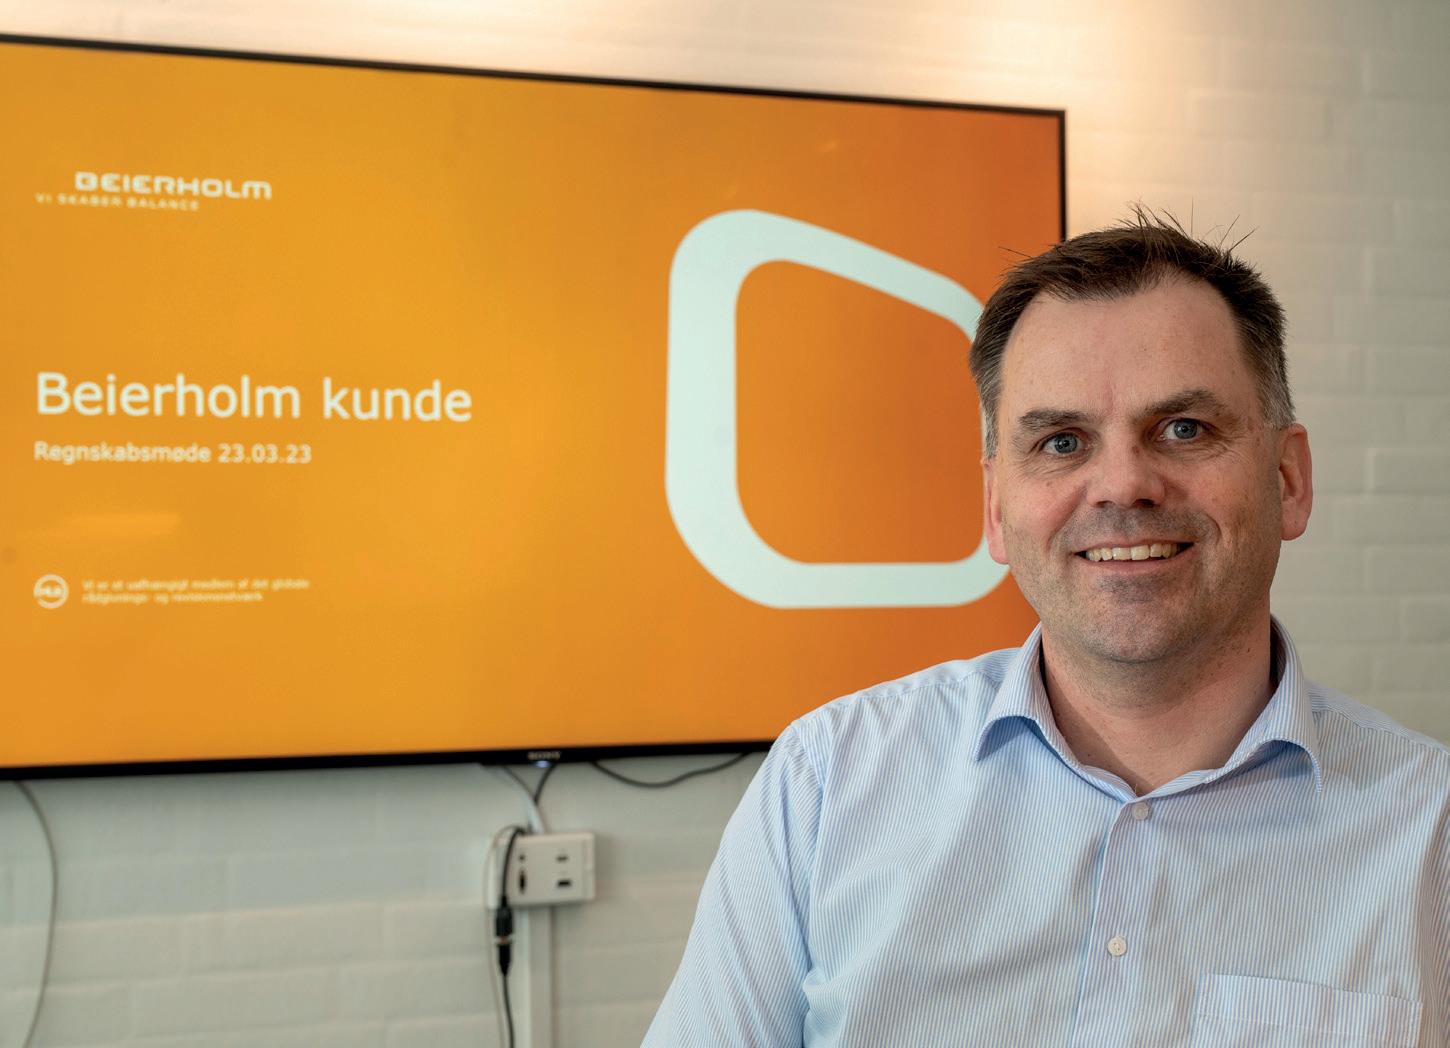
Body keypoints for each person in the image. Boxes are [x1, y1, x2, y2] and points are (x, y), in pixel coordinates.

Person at [643, 212, 1449, 1047]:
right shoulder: (826, 785)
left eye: (1184, 429)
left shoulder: (1434, 836)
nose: (1124, 485)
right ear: (997, 508)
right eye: (1062, 442)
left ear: (1288, 480)